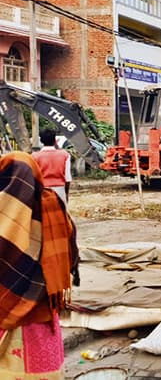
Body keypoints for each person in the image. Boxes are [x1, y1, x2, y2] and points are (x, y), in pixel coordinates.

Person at [0, 151, 78, 380]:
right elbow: (70, 254)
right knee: (41, 366)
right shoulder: (53, 205)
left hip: (6, 306)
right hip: (42, 306)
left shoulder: (4, 210)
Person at [32, 128, 72, 205]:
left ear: (41, 141)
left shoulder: (34, 156)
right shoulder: (65, 155)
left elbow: (33, 178)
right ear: (55, 141)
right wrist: (66, 194)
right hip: (60, 191)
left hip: (42, 192)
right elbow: (68, 178)